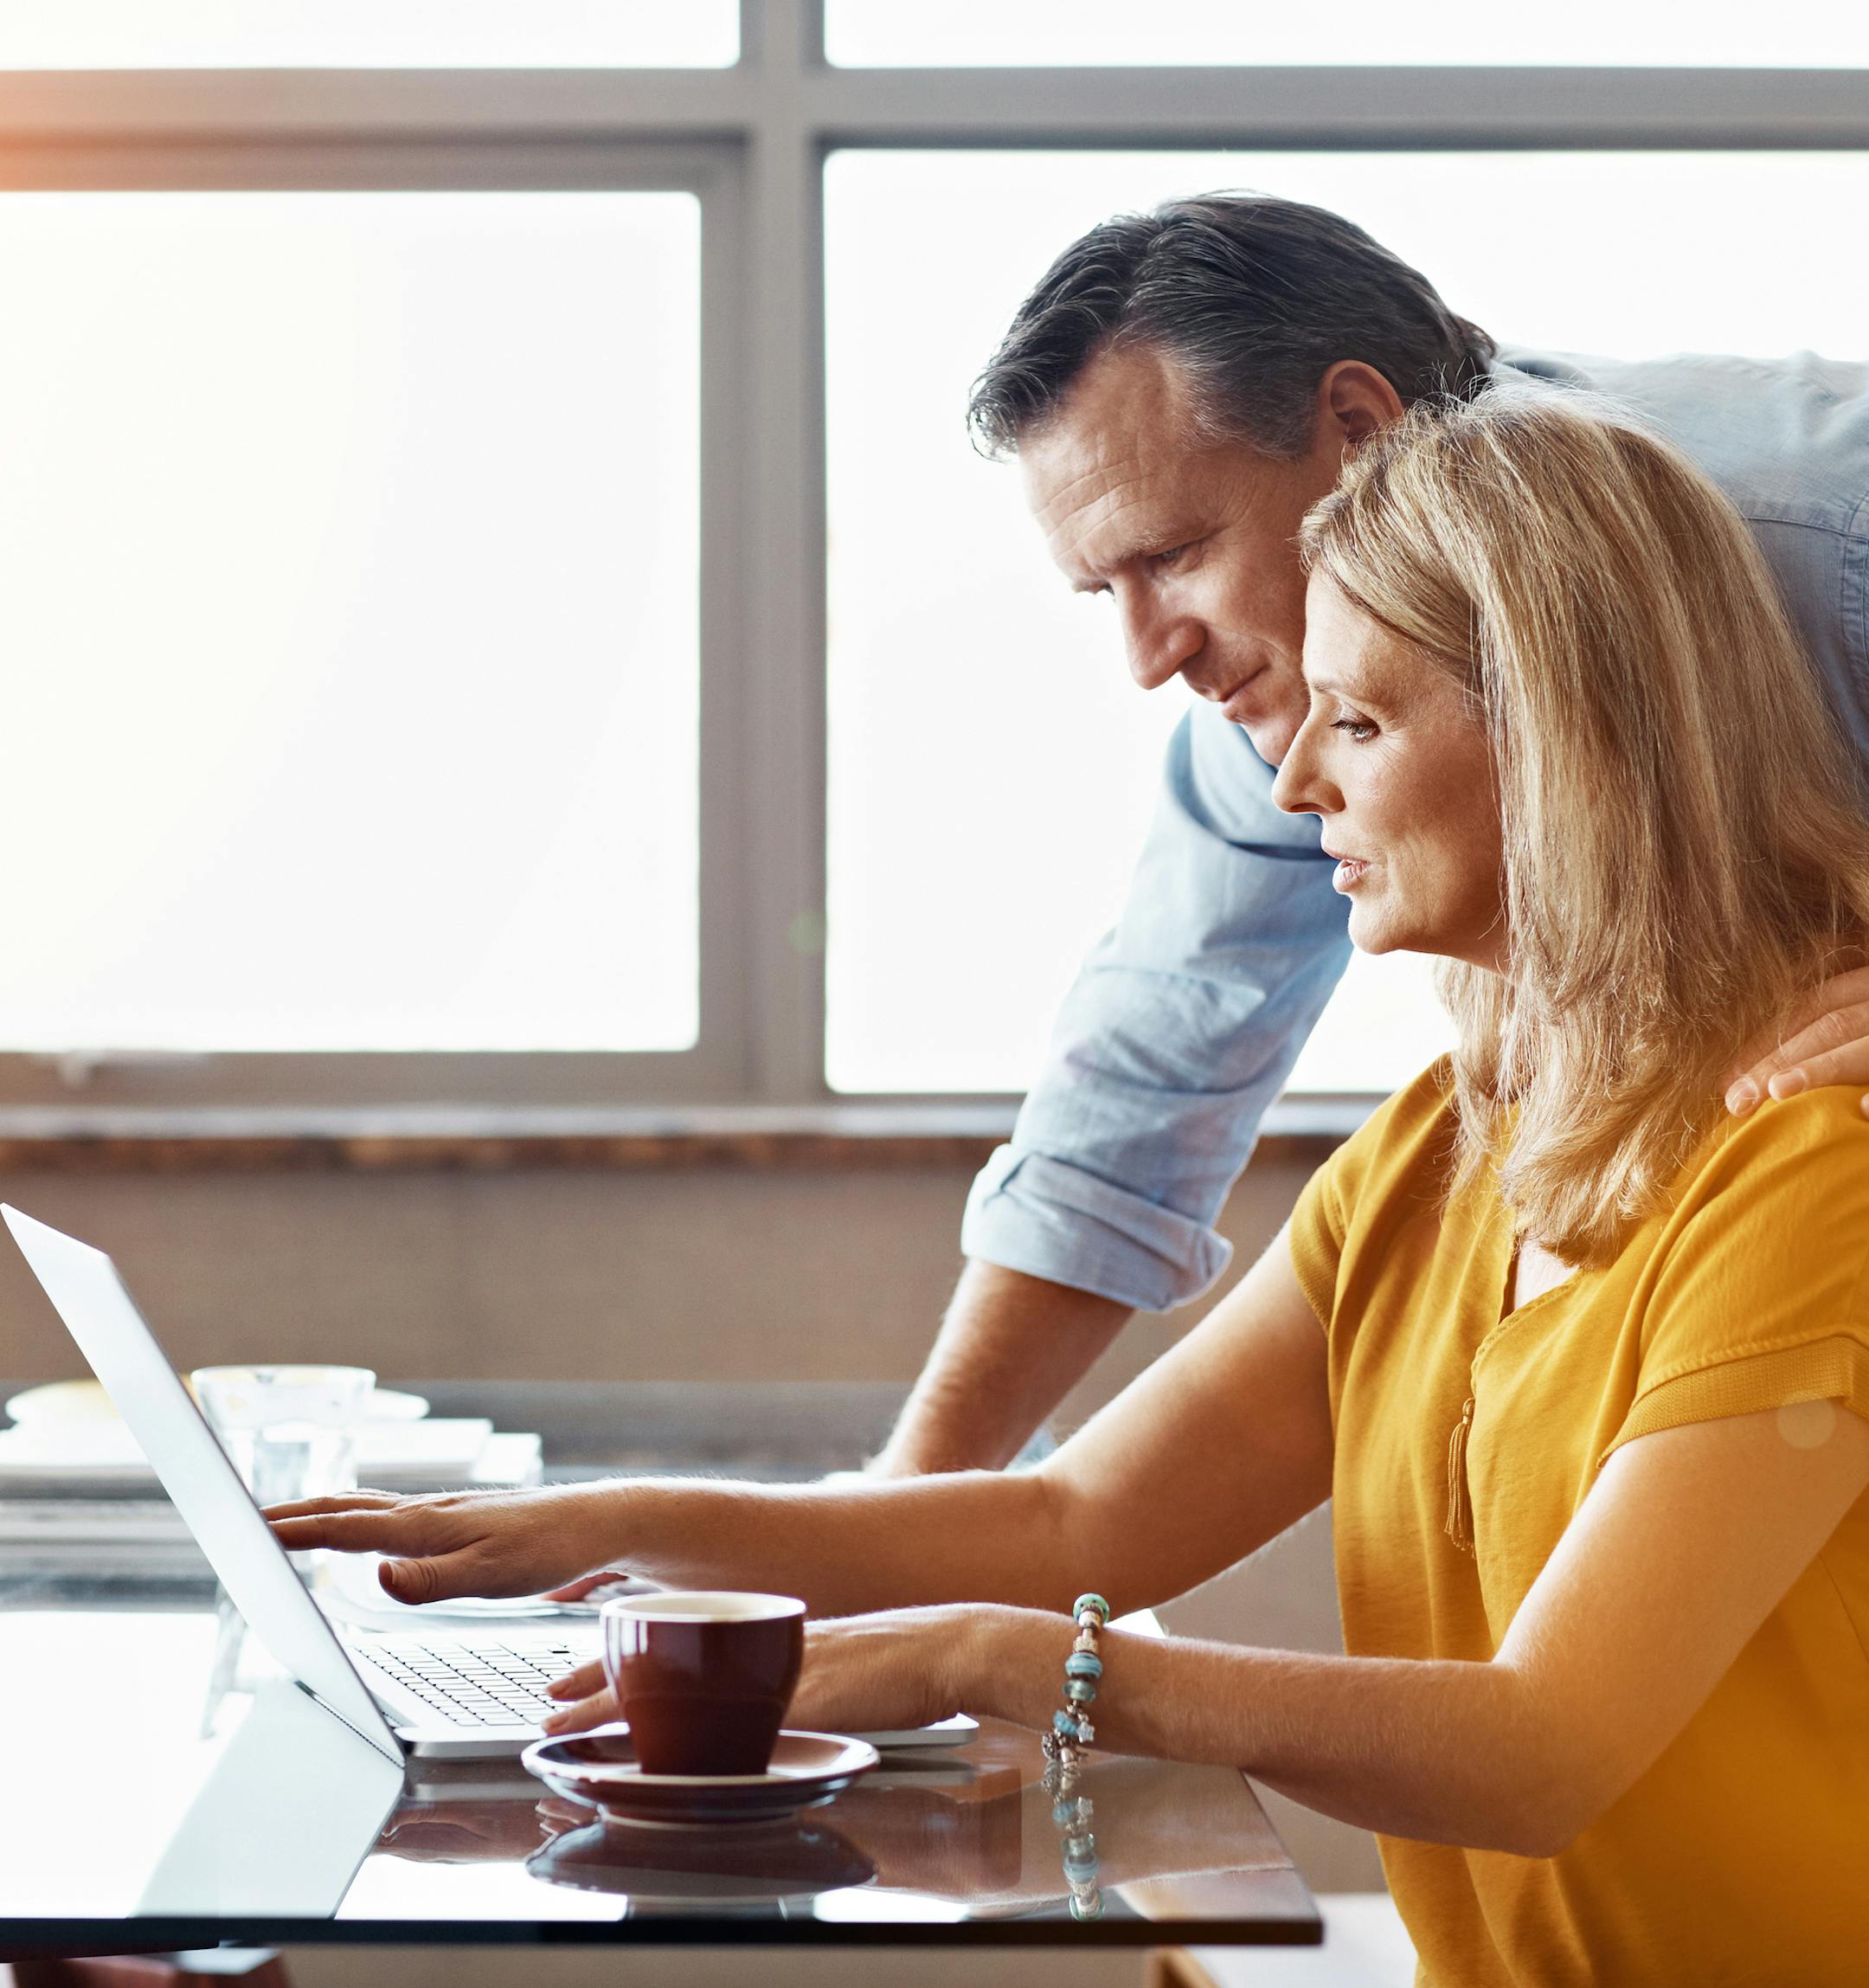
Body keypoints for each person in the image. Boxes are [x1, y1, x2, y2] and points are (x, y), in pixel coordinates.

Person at [274, 392, 1869, 1985]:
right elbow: (1076, 1517)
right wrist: (616, 1523)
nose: (1295, 778)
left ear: (1568, 731)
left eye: (1362, 723)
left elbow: (1546, 1745)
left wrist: (994, 1660)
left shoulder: (1811, 1177)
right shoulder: (1439, 1154)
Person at [867, 192, 1869, 1479]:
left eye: (1172, 553)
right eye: (1099, 591)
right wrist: (913, 1494)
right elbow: (1141, 1087)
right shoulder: (1300, 678)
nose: (1147, 656)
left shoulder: (1810, 554)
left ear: (1356, 423)